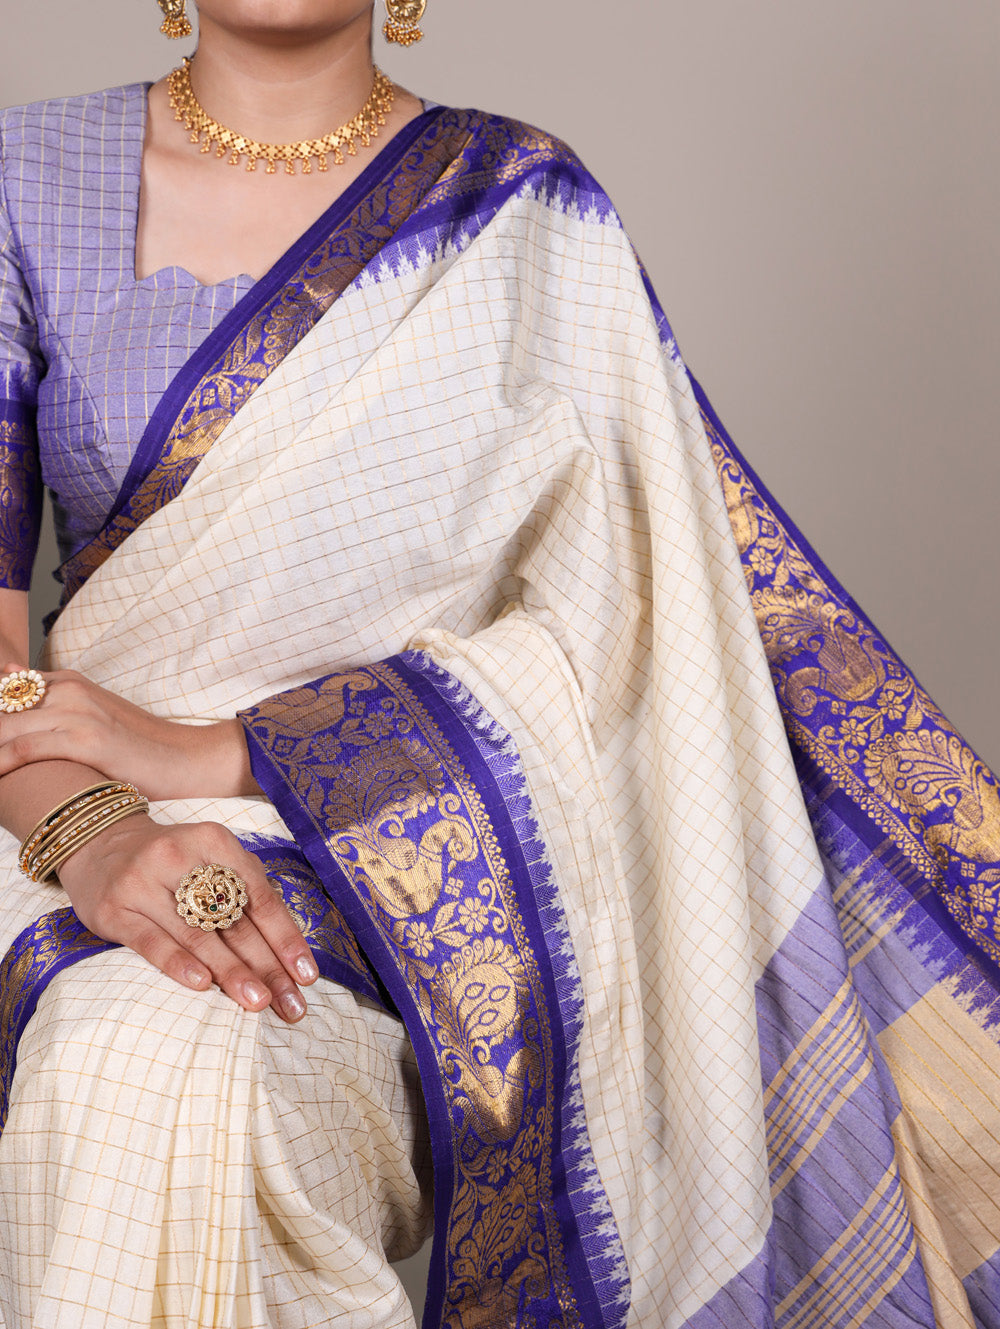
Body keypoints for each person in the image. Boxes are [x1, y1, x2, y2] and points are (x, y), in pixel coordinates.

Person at [1, 2, 1000, 1327]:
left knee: (188, 1057)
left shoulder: (525, 209)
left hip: (411, 868)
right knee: (125, 1044)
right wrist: (97, 829)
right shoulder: (26, 181)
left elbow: (631, 650)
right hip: (45, 811)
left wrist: (230, 757)